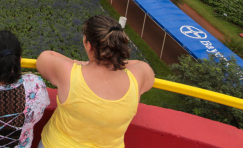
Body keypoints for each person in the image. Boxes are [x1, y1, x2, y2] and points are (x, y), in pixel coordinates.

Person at [36, 15, 155, 148]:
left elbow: (45, 57)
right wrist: (113, 60)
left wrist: (80, 63)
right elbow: (140, 64)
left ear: (89, 45)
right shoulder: (138, 76)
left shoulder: (69, 72)